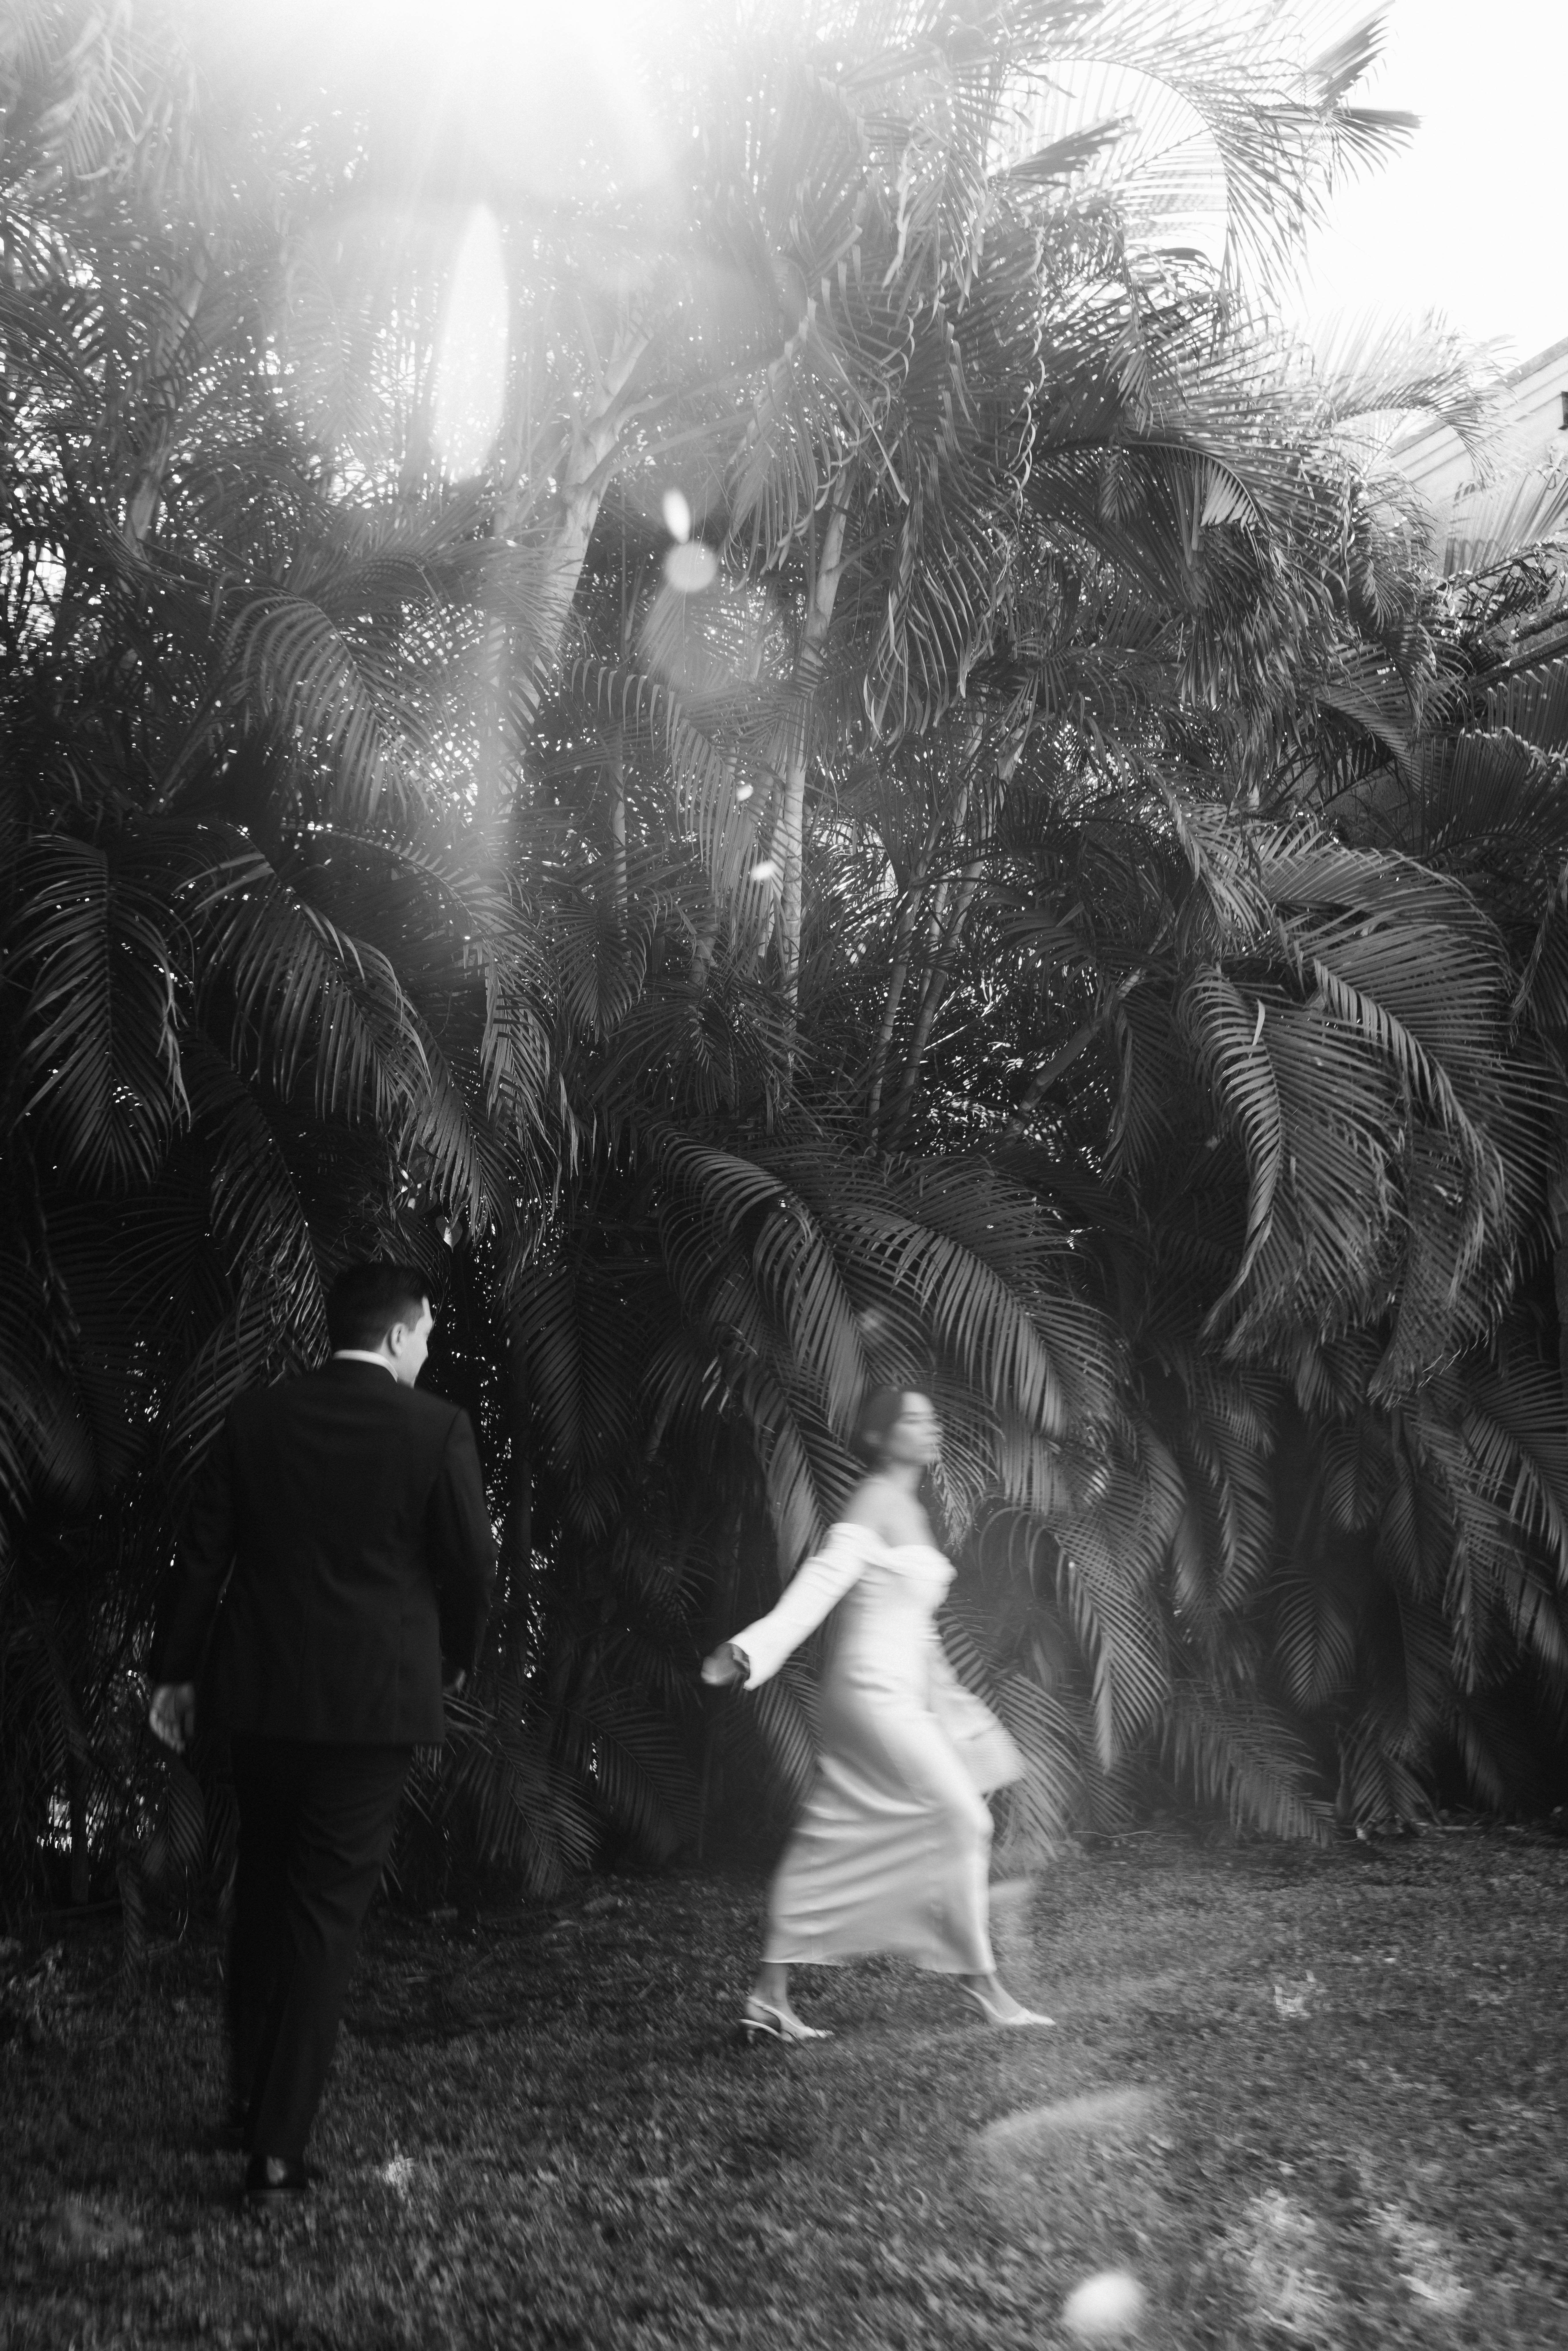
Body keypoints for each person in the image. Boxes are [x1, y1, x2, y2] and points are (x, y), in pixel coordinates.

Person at [147, 1261, 495, 2205]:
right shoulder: (436, 1429)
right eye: (423, 1335)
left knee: (262, 1889)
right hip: (372, 1707)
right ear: (395, 1336)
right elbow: (473, 1566)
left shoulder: (256, 1417)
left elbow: (202, 1556)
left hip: (258, 1697)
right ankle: (274, 2150)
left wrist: (173, 1673)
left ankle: (242, 2100)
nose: (427, 1353)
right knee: (324, 1916)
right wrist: (454, 1656)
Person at [701, 1386, 1051, 2041]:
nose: (931, 1426)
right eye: (914, 1419)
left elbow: (917, 1630)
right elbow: (823, 1581)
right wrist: (752, 1649)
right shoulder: (873, 1500)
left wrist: (955, 1712)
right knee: (960, 1816)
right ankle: (987, 1990)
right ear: (885, 1437)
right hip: (868, 1692)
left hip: (896, 1692)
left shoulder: (909, 1508)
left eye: (931, 1416)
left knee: (837, 1832)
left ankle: (768, 1997)